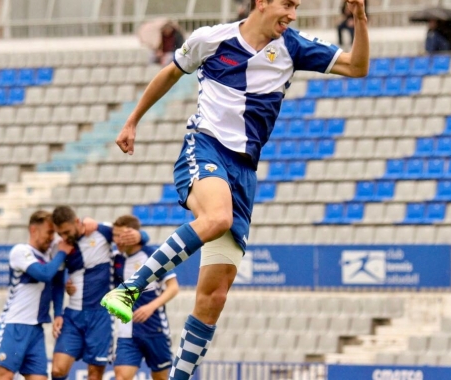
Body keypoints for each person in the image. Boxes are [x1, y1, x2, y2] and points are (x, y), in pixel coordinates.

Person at [101, 0, 370, 378]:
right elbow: (170, 73)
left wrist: (359, 18)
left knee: (214, 297)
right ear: (262, 2)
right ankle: (130, 289)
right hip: (206, 147)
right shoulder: (211, 39)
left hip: (243, 172)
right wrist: (132, 122)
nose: (293, 14)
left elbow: (358, 67)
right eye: (288, 4)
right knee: (217, 217)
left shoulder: (292, 47)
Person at [50, 206, 150, 380]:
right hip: (73, 316)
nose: (64, 237)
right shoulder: (60, 247)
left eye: (66, 232)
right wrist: (58, 313)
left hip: (101, 317)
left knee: (94, 374)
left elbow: (134, 237)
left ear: (77, 222)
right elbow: (57, 283)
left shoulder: (101, 231)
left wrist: (142, 236)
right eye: (60, 233)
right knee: (58, 370)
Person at [0, 211, 73, 380]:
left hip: (36, 329)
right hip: (14, 325)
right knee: (4, 376)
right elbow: (44, 274)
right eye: (49, 232)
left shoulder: (51, 255)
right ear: (33, 230)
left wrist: (58, 313)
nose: (52, 238)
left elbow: (57, 283)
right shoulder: (21, 251)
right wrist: (62, 253)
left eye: (54, 233)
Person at [110, 215, 180, 380]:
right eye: (115, 235)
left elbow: (173, 287)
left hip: (154, 329)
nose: (117, 240)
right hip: (127, 332)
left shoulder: (152, 255)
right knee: (121, 377)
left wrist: (150, 307)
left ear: (133, 235)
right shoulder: (116, 259)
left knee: (161, 377)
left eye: (121, 236)